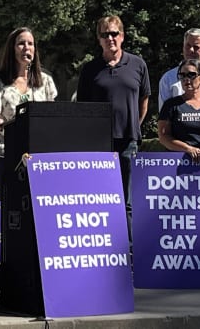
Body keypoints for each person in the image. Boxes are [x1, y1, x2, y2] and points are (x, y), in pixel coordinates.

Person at [77, 15, 151, 239]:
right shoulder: (90, 70)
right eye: (105, 34)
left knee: (127, 201)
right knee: (101, 199)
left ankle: (128, 250)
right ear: (98, 39)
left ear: (122, 36)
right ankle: (103, 247)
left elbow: (144, 102)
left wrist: (133, 127)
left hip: (128, 142)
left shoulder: (138, 64)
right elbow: (82, 108)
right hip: (98, 144)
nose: (110, 38)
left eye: (114, 33)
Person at [0, 27, 57, 189]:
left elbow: (52, 119)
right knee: (11, 206)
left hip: (37, 153)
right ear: (12, 49)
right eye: (21, 44)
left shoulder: (46, 81)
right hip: (5, 153)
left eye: (30, 44)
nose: (26, 47)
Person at [157, 59, 200, 163]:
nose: (186, 79)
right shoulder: (171, 105)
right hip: (179, 163)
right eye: (182, 75)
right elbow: (163, 136)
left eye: (191, 75)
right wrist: (187, 148)